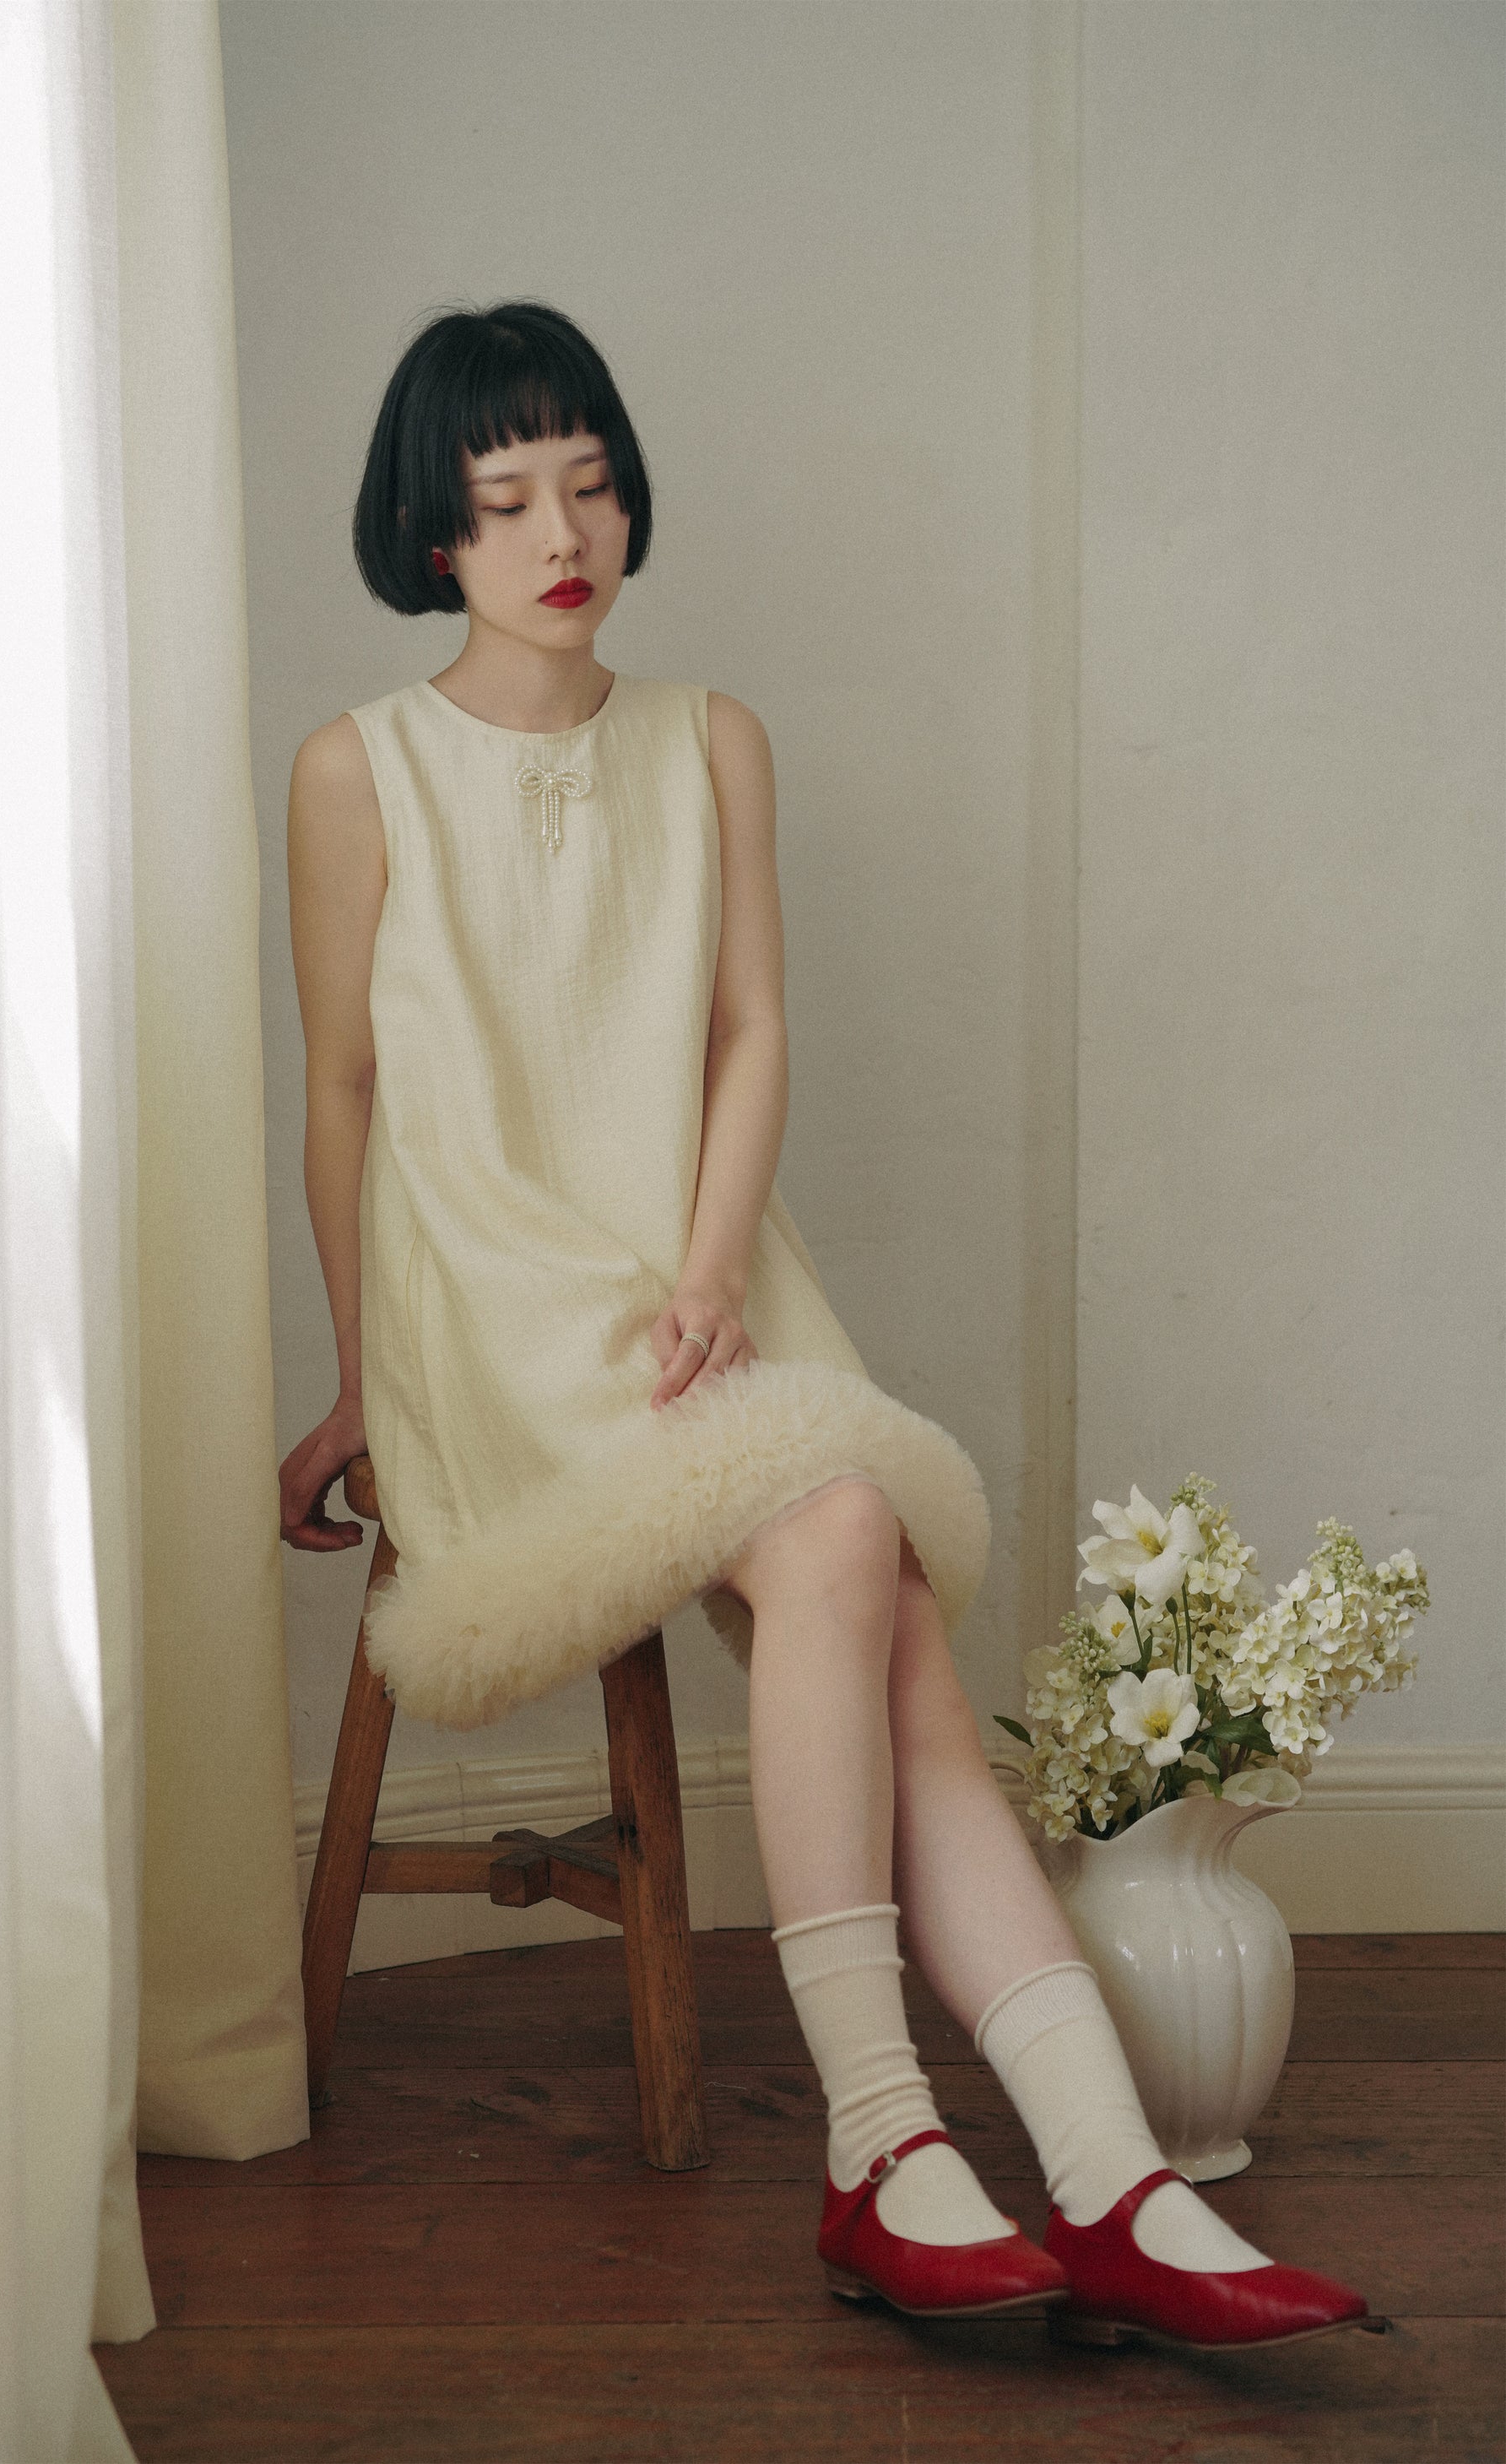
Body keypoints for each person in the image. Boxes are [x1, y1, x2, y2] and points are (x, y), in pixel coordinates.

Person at [277, 297, 1373, 2352]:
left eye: (588, 482)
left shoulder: (711, 738)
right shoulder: (358, 771)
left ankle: (1090, 2176)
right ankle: (925, 2144)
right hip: (493, 1307)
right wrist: (354, 1377)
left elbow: (750, 1026)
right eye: (504, 499)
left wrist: (707, 1273)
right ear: (433, 531)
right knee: (855, 1538)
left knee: (877, 1603)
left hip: (698, 1270)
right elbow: (341, 1093)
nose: (559, 533)